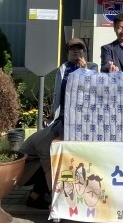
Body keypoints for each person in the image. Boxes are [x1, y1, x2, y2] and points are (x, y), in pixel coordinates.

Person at [18, 38, 98, 209]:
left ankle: (37, 196)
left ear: (84, 52)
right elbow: (49, 169)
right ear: (67, 53)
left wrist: (85, 72)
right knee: (54, 162)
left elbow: (95, 90)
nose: (76, 52)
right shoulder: (63, 69)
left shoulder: (92, 67)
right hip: (23, 171)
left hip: (81, 120)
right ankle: (41, 197)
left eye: (79, 49)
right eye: (72, 49)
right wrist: (57, 205)